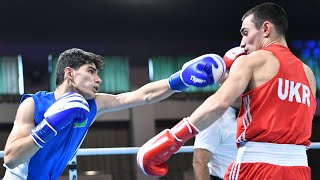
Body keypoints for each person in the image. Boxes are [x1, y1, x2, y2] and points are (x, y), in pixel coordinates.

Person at [137, 2, 317, 180]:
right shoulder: (308, 74)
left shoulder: (251, 61)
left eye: (246, 33)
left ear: (266, 28)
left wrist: (173, 139)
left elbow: (220, 103)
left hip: (256, 167)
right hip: (299, 169)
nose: (242, 43)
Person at [2, 48, 226, 179]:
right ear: (69, 73)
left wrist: (180, 80)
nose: (98, 79)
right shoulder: (33, 104)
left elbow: (142, 96)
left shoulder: (94, 104)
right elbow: (11, 159)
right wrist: (49, 126)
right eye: (91, 72)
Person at [193, 74, 240, 180]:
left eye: (240, 86)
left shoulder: (255, 114)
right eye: (230, 87)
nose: (236, 92)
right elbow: (199, 161)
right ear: (221, 88)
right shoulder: (212, 118)